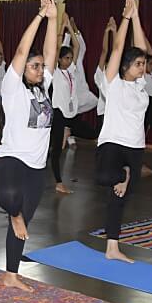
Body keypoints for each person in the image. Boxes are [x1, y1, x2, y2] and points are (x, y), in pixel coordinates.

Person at [0, 0, 58, 292]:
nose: (39, 69)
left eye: (41, 66)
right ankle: (15, 213)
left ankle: (11, 274)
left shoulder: (43, 87)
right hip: (12, 157)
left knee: (22, 225)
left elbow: (50, 51)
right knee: (9, 200)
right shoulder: (12, 87)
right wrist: (39, 17)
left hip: (36, 165)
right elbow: (22, 49)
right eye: (34, 66)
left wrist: (55, 19)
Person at [94, 0, 152, 263]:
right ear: (126, 66)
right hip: (113, 142)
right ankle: (123, 173)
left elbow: (141, 48)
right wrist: (126, 19)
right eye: (138, 64)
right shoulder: (113, 83)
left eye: (144, 64)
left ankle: (112, 248)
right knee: (107, 177)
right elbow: (118, 50)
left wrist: (138, 15)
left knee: (121, 196)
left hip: (135, 145)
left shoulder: (141, 84)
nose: (143, 68)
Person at [48, 16, 98, 194]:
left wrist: (70, 26)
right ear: (59, 60)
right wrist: (62, 29)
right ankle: (59, 182)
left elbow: (77, 47)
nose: (69, 61)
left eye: (70, 58)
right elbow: (55, 48)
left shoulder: (71, 70)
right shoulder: (54, 72)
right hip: (59, 114)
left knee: (93, 134)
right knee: (56, 151)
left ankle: (68, 131)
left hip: (72, 114)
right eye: (66, 58)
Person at [93, 16, 116, 132]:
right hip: (103, 112)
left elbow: (117, 51)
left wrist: (115, 30)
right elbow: (104, 51)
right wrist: (107, 32)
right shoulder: (99, 76)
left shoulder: (118, 76)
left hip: (116, 112)